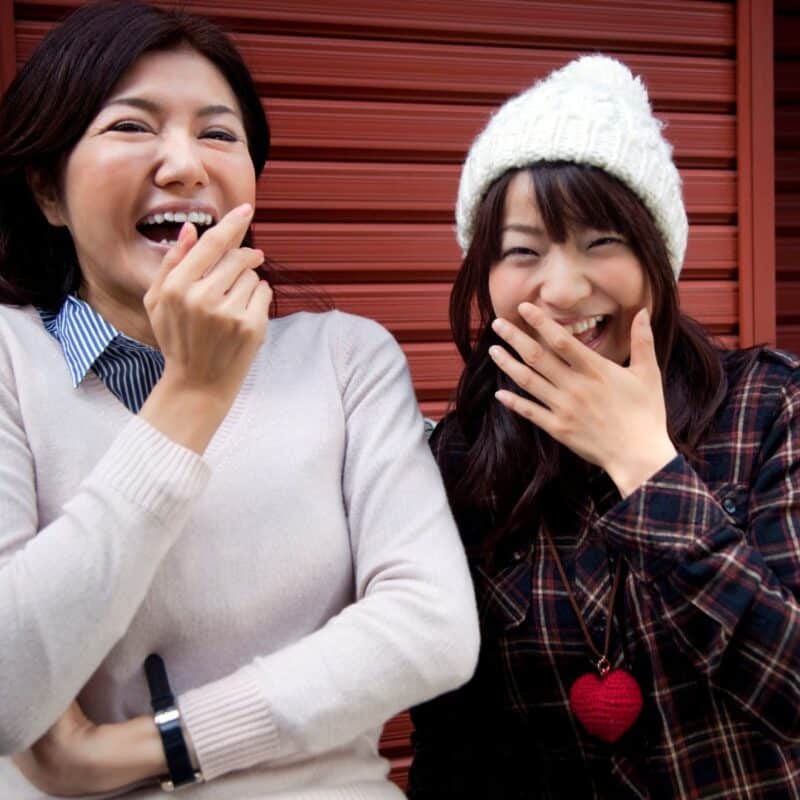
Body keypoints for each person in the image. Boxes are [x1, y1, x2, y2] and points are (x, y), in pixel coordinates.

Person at [0, 2, 479, 797]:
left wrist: (140, 749)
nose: (185, 165)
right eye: (131, 126)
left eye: (219, 134)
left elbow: (433, 628)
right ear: (48, 189)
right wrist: (191, 395)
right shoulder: (11, 360)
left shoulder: (345, 358)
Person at [408, 55, 800, 798]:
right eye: (523, 251)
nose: (562, 289)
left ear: (658, 258)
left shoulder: (769, 407)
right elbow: (453, 743)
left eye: (601, 242)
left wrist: (647, 467)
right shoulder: (462, 457)